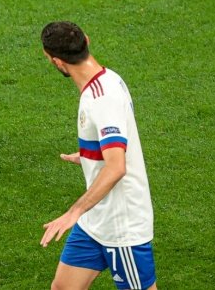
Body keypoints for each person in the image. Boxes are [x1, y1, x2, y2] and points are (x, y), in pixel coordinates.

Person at [39, 21, 157, 290]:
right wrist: (89, 156)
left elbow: (116, 167)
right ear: (87, 40)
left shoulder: (102, 99)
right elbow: (113, 146)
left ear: (57, 62)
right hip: (95, 221)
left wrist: (74, 212)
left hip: (121, 226)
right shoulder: (106, 79)